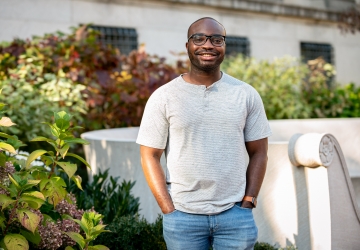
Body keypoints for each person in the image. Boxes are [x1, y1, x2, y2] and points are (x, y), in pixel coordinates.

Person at [136, 17, 272, 250]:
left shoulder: (246, 94)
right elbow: (149, 155)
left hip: (235, 216)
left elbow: (260, 152)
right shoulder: (164, 96)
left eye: (216, 39)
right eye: (199, 38)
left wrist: (248, 201)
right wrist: (167, 208)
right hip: (183, 218)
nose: (208, 45)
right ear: (187, 45)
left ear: (224, 46)